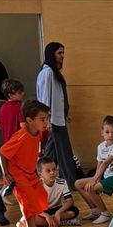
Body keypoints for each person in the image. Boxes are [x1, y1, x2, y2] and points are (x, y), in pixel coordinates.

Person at [0, 99, 51, 227]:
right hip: (17, 174)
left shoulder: (38, 133)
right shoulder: (21, 136)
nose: (46, 122)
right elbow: (2, 153)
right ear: (29, 120)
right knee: (29, 204)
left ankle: (23, 223)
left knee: (41, 198)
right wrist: (6, 174)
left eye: (47, 118)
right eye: (42, 119)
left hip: (30, 173)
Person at [36, 41, 78, 191]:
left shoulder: (53, 72)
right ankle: (71, 183)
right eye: (59, 53)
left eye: (63, 53)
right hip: (53, 120)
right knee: (65, 153)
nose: (62, 56)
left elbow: (59, 98)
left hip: (58, 119)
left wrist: (64, 114)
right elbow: (45, 98)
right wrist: (46, 119)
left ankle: (42, 179)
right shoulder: (47, 73)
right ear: (51, 54)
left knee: (51, 152)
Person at [75, 116, 113, 223]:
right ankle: (95, 211)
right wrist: (96, 179)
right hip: (106, 176)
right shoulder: (100, 146)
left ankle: (105, 213)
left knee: (91, 188)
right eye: (107, 132)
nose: (110, 135)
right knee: (78, 184)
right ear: (102, 132)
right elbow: (99, 163)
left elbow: (106, 162)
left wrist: (94, 180)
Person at [36, 157, 81, 227]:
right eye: (48, 171)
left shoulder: (62, 182)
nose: (52, 172)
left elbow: (70, 201)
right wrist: (46, 216)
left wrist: (58, 212)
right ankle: (61, 222)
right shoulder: (37, 185)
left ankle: (49, 222)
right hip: (43, 211)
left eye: (54, 169)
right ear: (40, 174)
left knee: (74, 211)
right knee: (32, 219)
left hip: (57, 209)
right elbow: (32, 206)